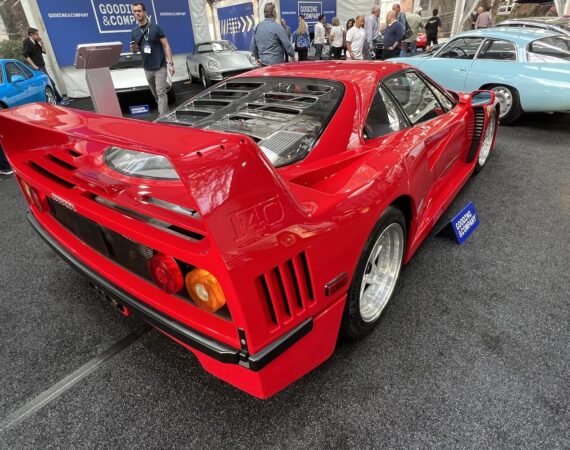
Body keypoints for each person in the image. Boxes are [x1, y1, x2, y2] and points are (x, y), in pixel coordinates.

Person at [130, 2, 175, 116]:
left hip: (160, 66)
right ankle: (167, 114)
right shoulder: (134, 31)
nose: (137, 13)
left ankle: (163, 119)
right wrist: (134, 48)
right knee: (155, 94)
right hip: (147, 68)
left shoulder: (155, 27)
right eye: (135, 11)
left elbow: (166, 45)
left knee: (161, 93)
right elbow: (135, 51)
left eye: (139, 11)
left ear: (145, 12)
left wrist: (170, 63)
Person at [22, 28, 68, 106]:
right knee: (50, 82)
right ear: (31, 34)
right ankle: (59, 100)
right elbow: (26, 56)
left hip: (42, 65)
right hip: (37, 67)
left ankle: (57, 100)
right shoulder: (27, 42)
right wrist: (34, 66)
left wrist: (42, 43)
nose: (38, 36)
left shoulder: (36, 42)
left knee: (49, 83)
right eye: (36, 34)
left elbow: (44, 51)